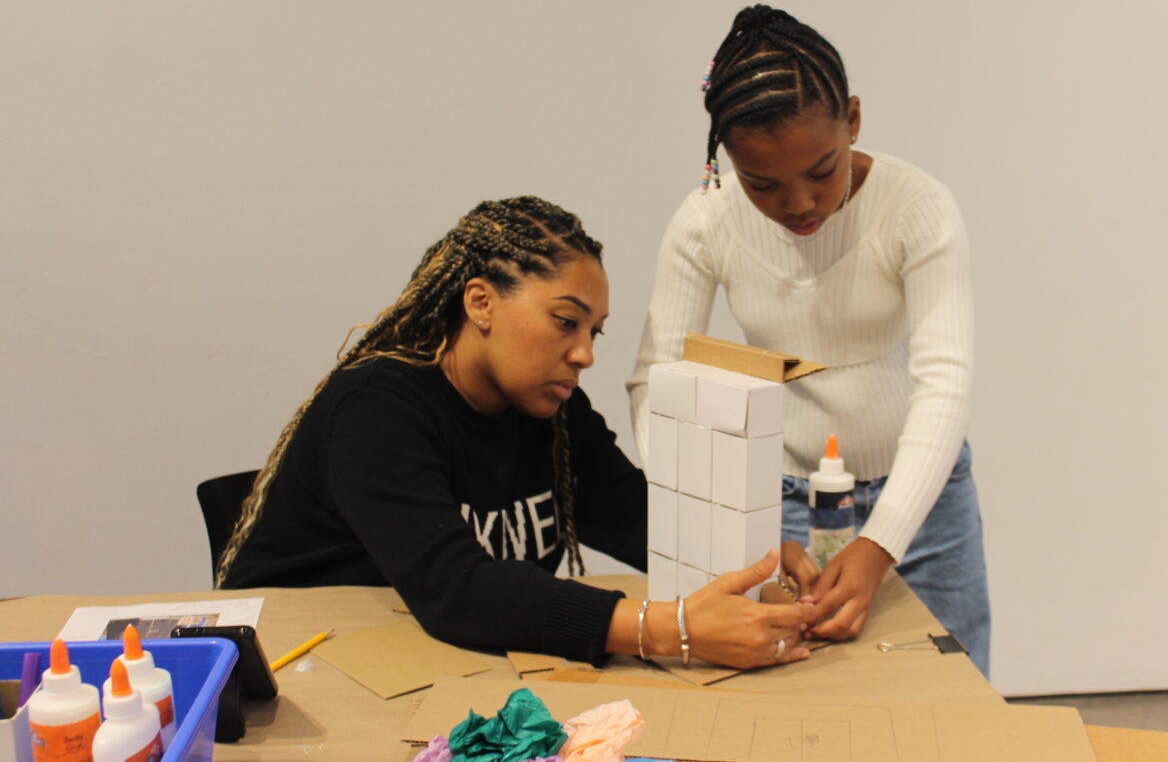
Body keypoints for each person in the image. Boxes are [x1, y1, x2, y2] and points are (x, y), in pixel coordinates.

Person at [216, 196, 814, 668]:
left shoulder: (550, 410)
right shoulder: (376, 407)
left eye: (594, 332)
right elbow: (457, 590)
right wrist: (671, 630)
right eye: (564, 322)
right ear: (481, 302)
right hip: (306, 663)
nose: (584, 354)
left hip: (439, 659)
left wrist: (758, 563)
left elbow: (638, 516)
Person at [629, 5, 991, 675]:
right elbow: (656, 383)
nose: (799, 205)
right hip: (777, 508)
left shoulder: (917, 208)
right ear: (726, 157)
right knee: (794, 719)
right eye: (761, 183)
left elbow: (946, 382)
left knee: (950, 709)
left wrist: (882, 541)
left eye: (822, 170)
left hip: (925, 505)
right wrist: (735, 516)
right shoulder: (705, 221)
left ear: (852, 119)